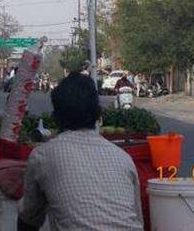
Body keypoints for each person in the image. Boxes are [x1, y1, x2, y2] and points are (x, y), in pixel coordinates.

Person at [18, 73, 143, 231]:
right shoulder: (123, 158)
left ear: (56, 117)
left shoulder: (43, 155)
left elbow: (29, 216)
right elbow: (137, 219)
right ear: (98, 114)